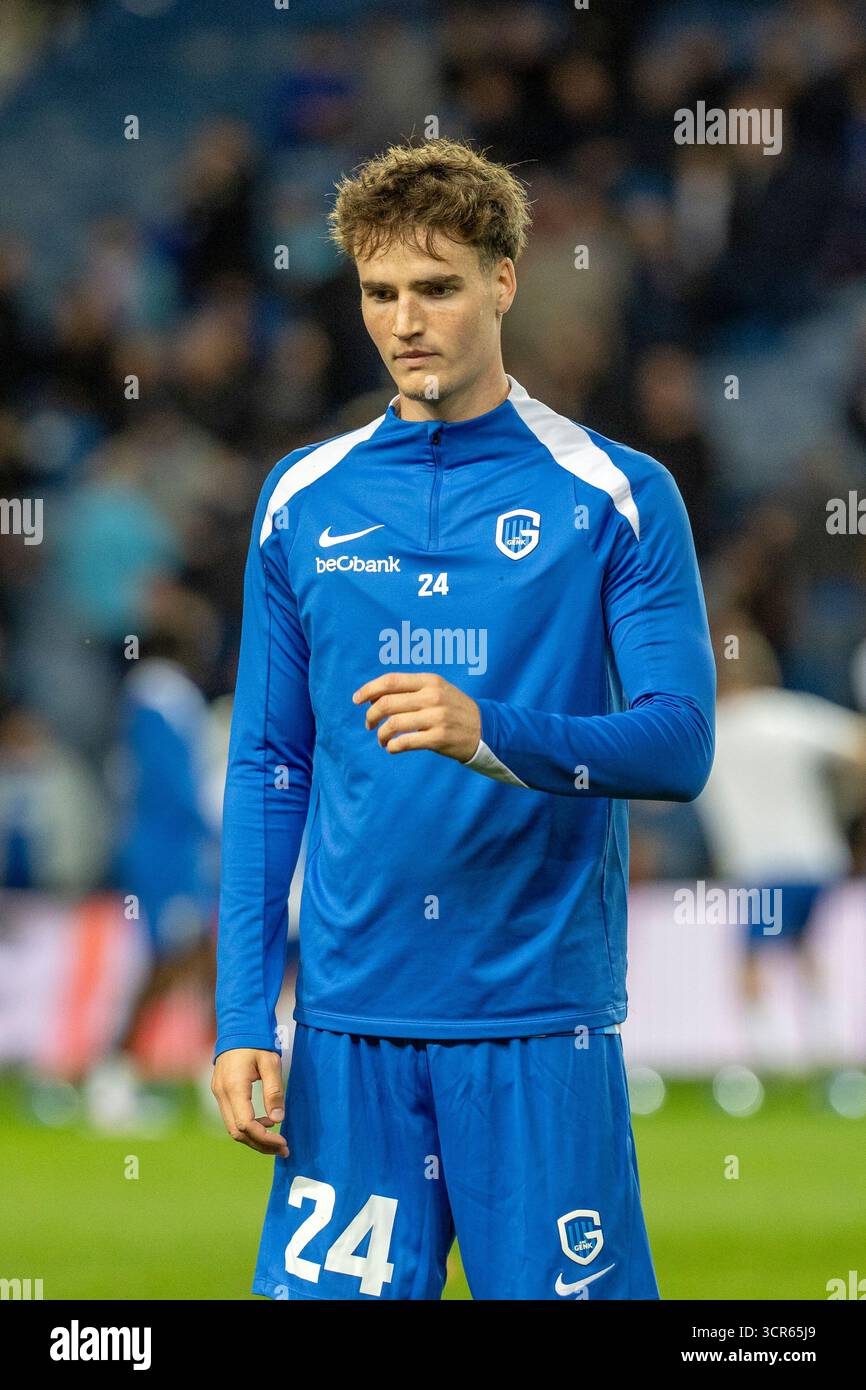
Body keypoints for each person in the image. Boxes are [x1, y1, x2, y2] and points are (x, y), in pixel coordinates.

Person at [212, 137, 715, 1301]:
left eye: (435, 286)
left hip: (536, 1025)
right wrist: (247, 1011)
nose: (405, 320)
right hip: (346, 1031)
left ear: (502, 280)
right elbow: (269, 763)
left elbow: (680, 741)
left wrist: (488, 728)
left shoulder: (616, 493)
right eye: (379, 292)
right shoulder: (301, 497)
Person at [697, 615, 866, 1068]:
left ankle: (773, 1065)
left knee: (751, 959)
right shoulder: (790, 714)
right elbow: (857, 745)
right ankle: (828, 1054)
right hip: (817, 859)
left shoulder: (710, 733)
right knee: (804, 950)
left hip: (762, 864)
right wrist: (848, 806)